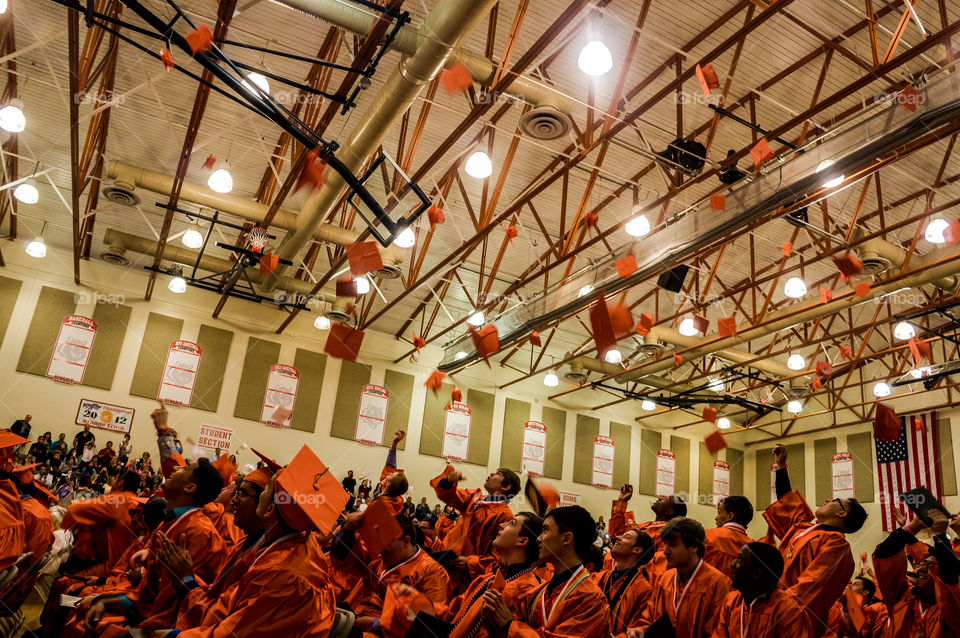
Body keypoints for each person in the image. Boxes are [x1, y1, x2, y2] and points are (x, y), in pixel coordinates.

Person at [155, 448, 337, 637]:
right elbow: (227, 606)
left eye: (267, 489)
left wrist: (173, 635)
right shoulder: (282, 547)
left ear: (269, 510)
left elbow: (231, 632)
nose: (234, 500)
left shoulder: (282, 574)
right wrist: (186, 578)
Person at [78, 456, 228, 634]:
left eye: (185, 468)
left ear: (189, 487)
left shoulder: (199, 533)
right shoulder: (170, 525)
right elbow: (148, 596)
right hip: (152, 615)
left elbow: (173, 608)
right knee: (85, 610)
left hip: (177, 628)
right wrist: (104, 602)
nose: (175, 469)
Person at [764, 444, 866, 636]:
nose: (828, 500)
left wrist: (775, 605)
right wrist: (781, 466)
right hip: (772, 609)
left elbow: (811, 585)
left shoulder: (837, 544)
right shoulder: (803, 528)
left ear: (842, 513)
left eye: (835, 501)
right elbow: (787, 502)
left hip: (795, 620)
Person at [483, 505, 611, 637]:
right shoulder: (538, 593)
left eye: (545, 530)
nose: (538, 538)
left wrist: (509, 625)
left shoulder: (592, 599)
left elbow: (509, 625)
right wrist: (492, 610)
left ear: (566, 539)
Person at [334, 511, 451, 637]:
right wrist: (348, 531)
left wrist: (378, 625)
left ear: (406, 541)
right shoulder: (380, 558)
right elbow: (344, 559)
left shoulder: (432, 572)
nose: (379, 548)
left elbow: (428, 625)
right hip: (354, 618)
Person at [445, 512, 544, 638]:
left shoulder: (530, 592)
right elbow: (454, 614)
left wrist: (508, 625)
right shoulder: (488, 578)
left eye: (511, 523)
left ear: (522, 540)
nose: (501, 525)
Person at [631, 517, 729, 638]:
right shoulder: (664, 579)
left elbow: (718, 632)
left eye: (672, 545)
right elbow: (650, 618)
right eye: (664, 544)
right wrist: (642, 630)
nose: (665, 551)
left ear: (694, 546)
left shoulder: (718, 583)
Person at [871, 509, 960, 637]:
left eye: (931, 566)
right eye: (922, 564)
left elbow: (950, 578)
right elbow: (884, 558)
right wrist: (911, 527)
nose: (921, 569)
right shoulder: (904, 599)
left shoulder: (951, 611)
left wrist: (940, 535)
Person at [432, 465, 521, 583]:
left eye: (498, 474)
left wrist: (470, 563)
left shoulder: (505, 517)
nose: (491, 474)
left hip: (468, 576)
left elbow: (498, 557)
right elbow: (449, 495)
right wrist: (448, 481)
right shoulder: (476, 498)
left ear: (505, 486)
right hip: (446, 561)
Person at [711, 542, 811, 637]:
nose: (732, 564)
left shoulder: (789, 610)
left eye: (740, 560)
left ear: (756, 573)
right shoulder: (731, 600)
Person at [60, 471, 142, 577]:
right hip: (126, 565)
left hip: (108, 564)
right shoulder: (137, 504)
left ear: (120, 483)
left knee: (62, 583)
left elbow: (75, 510)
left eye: (116, 480)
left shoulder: (120, 499)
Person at [609, 483, 686, 580]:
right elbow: (616, 535)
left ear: (669, 511)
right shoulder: (645, 525)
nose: (659, 498)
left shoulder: (670, 535)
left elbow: (656, 565)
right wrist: (621, 502)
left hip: (631, 582)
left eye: (665, 499)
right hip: (612, 576)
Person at [592, 527, 654, 638]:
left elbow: (637, 627)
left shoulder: (644, 590)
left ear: (637, 549)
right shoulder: (600, 577)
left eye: (626, 536)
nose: (617, 537)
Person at [704, 496, 753, 578]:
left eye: (719, 513)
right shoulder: (753, 547)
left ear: (730, 516)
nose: (716, 517)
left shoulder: (706, 536)